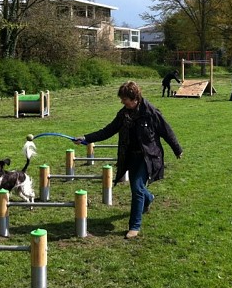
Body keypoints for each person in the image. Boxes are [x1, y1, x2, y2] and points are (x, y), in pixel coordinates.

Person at [73, 81, 183, 239]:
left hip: (149, 156)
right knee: (137, 187)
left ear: (135, 98)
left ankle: (134, 226)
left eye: (124, 99)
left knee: (137, 188)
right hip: (131, 156)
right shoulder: (123, 114)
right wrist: (86, 138)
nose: (122, 102)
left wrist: (177, 149)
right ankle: (149, 197)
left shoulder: (151, 112)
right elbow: (108, 130)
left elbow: (166, 131)